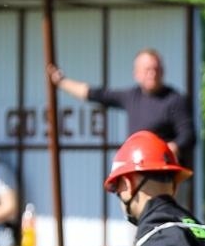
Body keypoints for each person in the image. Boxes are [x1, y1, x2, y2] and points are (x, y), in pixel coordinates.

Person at [48, 49, 196, 162]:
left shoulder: (175, 100)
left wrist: (171, 148)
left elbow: (188, 136)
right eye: (147, 70)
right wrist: (62, 82)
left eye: (156, 69)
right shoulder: (131, 96)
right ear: (136, 73)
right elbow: (96, 94)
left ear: (163, 71)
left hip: (166, 173)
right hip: (137, 169)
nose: (152, 74)